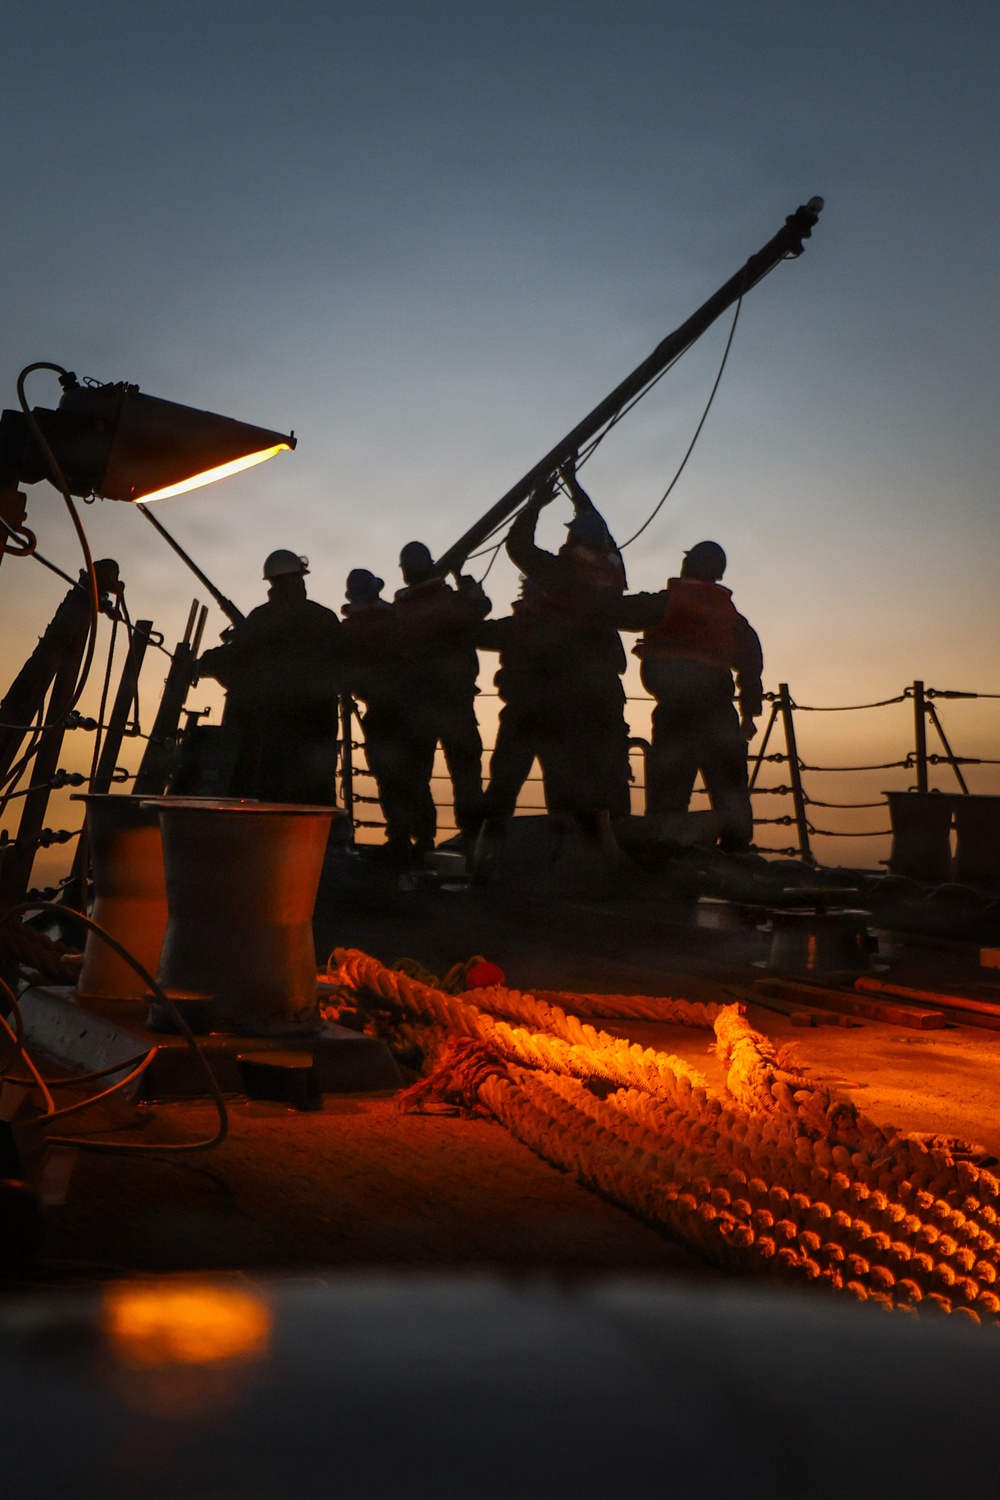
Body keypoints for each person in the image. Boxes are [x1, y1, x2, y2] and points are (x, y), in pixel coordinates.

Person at [500, 463, 631, 826]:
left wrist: (534, 505)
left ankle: (568, 833)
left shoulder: (560, 573)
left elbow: (518, 546)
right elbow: (598, 523)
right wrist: (575, 484)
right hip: (604, 681)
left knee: (565, 764)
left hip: (567, 682)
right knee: (608, 760)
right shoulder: (614, 566)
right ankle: (614, 832)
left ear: (572, 539)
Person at [616, 540, 763, 851]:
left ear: (688, 566)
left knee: (668, 799)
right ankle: (739, 861)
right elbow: (752, 658)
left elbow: (614, 611)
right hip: (719, 715)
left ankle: (665, 864)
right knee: (731, 796)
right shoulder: (730, 616)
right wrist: (749, 712)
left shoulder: (664, 603)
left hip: (676, 714)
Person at [198, 549, 343, 805]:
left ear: (272, 583)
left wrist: (203, 662)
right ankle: (323, 840)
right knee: (316, 796)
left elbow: (237, 654)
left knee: (272, 794)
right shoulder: (325, 618)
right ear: (299, 578)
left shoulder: (262, 618)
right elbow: (344, 661)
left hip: (273, 726)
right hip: (318, 723)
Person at [393, 541, 490, 851]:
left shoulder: (402, 609)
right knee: (465, 772)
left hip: (418, 704)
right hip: (455, 702)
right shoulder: (450, 601)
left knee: (416, 773)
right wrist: (463, 578)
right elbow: (481, 607)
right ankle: (474, 836)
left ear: (406, 573)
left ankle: (421, 838)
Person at [339, 567, 418, 860]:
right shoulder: (396, 617)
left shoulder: (349, 630)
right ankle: (418, 839)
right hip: (408, 706)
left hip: (381, 712)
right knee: (410, 776)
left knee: (388, 777)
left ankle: (399, 839)